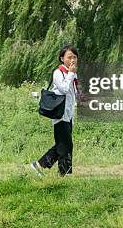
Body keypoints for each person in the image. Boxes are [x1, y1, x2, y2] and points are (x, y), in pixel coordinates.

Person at [31, 45, 79, 176]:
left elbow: (72, 93)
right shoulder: (58, 73)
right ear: (62, 58)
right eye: (69, 57)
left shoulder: (72, 74)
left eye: (74, 57)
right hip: (60, 115)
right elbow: (63, 88)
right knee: (64, 145)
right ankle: (40, 165)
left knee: (65, 145)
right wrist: (70, 74)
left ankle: (61, 172)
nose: (72, 60)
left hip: (68, 115)